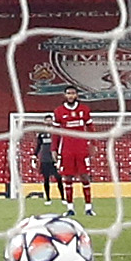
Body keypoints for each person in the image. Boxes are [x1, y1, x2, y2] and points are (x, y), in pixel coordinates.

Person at [51, 85, 97, 217]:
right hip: (66, 149)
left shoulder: (84, 110)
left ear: (77, 95)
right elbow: (55, 133)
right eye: (68, 93)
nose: (70, 96)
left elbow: (90, 128)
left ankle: (88, 207)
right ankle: (70, 208)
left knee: (84, 176)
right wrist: (54, 148)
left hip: (81, 148)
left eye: (73, 93)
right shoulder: (58, 111)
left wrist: (93, 143)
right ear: (64, 95)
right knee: (67, 177)